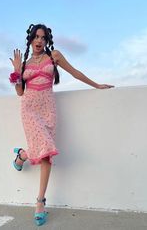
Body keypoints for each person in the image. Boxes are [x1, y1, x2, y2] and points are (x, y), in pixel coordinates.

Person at [9, 23, 114, 226]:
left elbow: (75, 72)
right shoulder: (24, 63)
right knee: (46, 149)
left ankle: (22, 155)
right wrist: (15, 71)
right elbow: (20, 92)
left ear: (47, 41)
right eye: (36, 37)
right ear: (30, 39)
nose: (39, 41)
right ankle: (40, 202)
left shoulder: (54, 56)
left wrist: (97, 85)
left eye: (43, 38)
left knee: (45, 151)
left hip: (48, 109)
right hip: (29, 108)